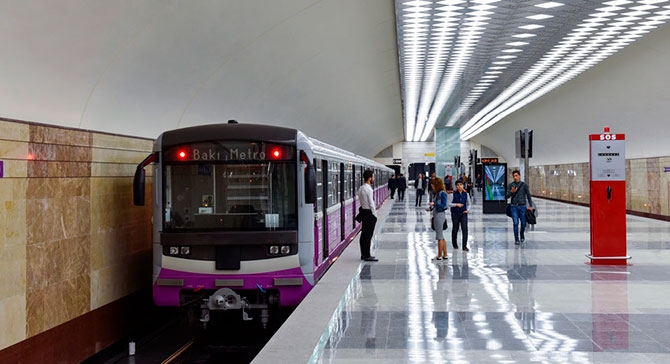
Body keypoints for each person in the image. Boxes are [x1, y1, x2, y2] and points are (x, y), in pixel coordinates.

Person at [506, 170, 534, 245]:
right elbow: (507, 196)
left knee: (523, 223)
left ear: (519, 176)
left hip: (522, 206)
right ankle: (516, 239)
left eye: (516, 175)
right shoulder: (510, 185)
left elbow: (528, 195)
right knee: (515, 222)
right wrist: (512, 192)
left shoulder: (524, 185)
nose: (515, 177)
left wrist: (530, 206)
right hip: (514, 206)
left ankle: (522, 234)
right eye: (514, 176)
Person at [358, 169, 378, 261]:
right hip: (369, 213)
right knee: (368, 235)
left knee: (363, 235)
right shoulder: (369, 189)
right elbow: (371, 203)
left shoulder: (361, 188)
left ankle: (363, 254)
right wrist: (374, 214)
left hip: (363, 212)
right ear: (370, 178)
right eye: (373, 177)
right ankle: (367, 255)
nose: (374, 178)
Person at [427, 177, 448, 260]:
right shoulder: (437, 193)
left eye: (433, 184)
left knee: (439, 237)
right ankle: (445, 254)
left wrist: (434, 203)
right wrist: (431, 208)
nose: (432, 186)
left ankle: (439, 256)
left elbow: (444, 206)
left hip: (439, 216)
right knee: (441, 236)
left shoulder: (442, 193)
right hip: (437, 214)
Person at [449, 180, 471, 252]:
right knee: (455, 228)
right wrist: (456, 205)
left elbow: (469, 203)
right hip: (455, 213)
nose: (459, 186)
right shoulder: (453, 194)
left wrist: (468, 210)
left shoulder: (466, 194)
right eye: (458, 185)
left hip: (463, 213)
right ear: (456, 186)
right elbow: (448, 203)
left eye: (461, 184)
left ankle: (464, 246)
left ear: (463, 185)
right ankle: (454, 244)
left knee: (465, 229)